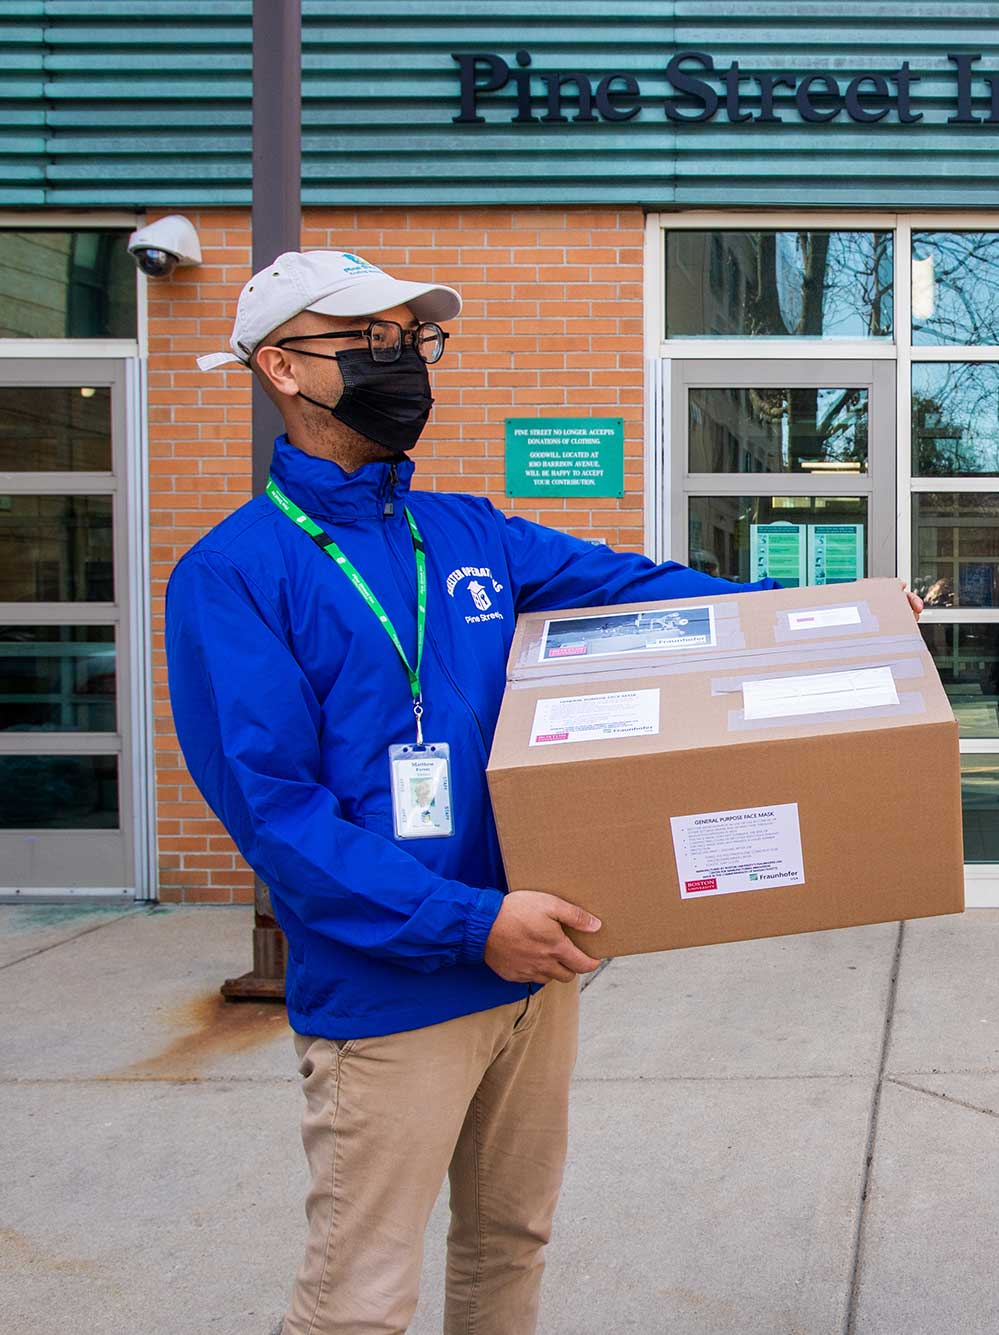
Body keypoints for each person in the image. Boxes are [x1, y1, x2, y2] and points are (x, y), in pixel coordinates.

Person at [167, 251, 918, 1334]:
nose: (405, 364)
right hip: (396, 998)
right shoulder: (234, 574)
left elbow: (646, 594)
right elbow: (277, 820)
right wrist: (473, 924)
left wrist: (847, 612)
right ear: (282, 366)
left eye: (414, 342)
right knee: (360, 1300)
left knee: (507, 1253)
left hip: (533, 973)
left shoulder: (466, 533)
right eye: (371, 342)